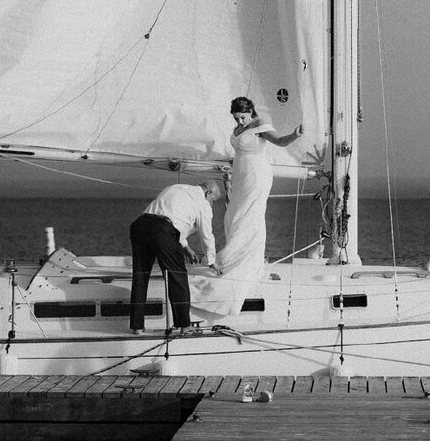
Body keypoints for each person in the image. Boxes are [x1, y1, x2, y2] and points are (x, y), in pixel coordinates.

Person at [211, 96, 302, 313]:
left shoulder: (260, 125)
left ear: (250, 111)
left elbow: (280, 141)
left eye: (242, 117)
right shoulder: (240, 127)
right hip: (241, 175)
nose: (240, 122)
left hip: (256, 175)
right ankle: (235, 258)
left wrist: (295, 135)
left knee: (248, 216)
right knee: (232, 215)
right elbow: (239, 151)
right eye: (236, 118)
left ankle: (247, 264)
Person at [129, 179, 223, 335]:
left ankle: (137, 326)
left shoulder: (177, 188)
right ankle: (184, 325)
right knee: (177, 275)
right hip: (162, 230)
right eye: (213, 201)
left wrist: (186, 248)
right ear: (209, 193)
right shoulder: (203, 203)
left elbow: (171, 218)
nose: (212, 204)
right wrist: (212, 261)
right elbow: (207, 235)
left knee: (140, 276)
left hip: (140, 225)